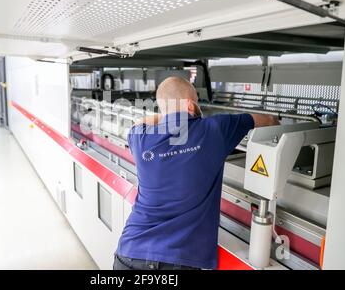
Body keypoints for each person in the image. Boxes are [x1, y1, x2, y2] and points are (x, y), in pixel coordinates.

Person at [114, 76, 279, 270]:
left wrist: (167, 113)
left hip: (129, 253)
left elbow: (137, 123)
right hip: (179, 260)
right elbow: (266, 120)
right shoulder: (216, 129)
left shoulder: (140, 137)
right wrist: (278, 119)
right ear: (190, 105)